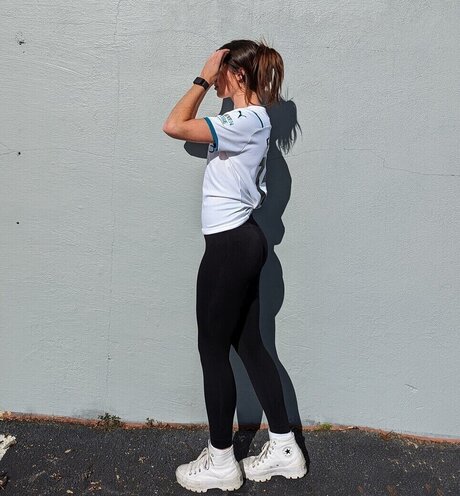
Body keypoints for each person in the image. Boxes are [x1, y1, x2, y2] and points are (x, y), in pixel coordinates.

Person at [162, 38, 307, 493]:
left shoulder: (243, 120)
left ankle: (222, 460)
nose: (217, 80)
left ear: (237, 74)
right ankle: (284, 447)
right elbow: (195, 136)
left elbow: (174, 125)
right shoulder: (247, 122)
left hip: (229, 247)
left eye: (223, 71)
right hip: (242, 242)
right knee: (250, 346)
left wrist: (202, 79)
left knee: (212, 351)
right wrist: (214, 77)